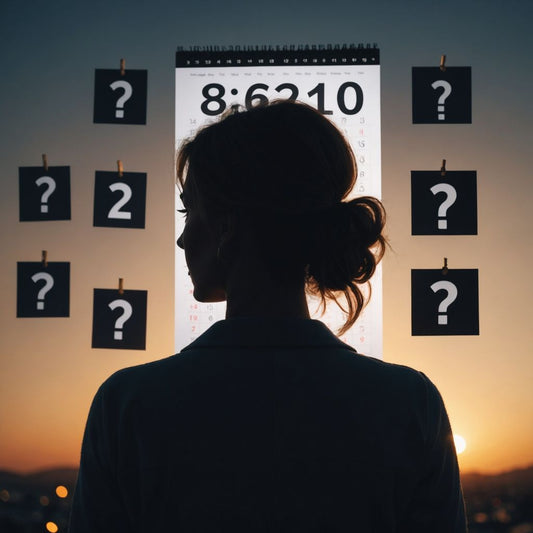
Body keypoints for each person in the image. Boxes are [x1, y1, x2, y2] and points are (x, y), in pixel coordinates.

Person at [69, 101, 467, 532]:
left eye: (189, 211)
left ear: (227, 226)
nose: (183, 239)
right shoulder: (412, 405)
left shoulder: (127, 406)